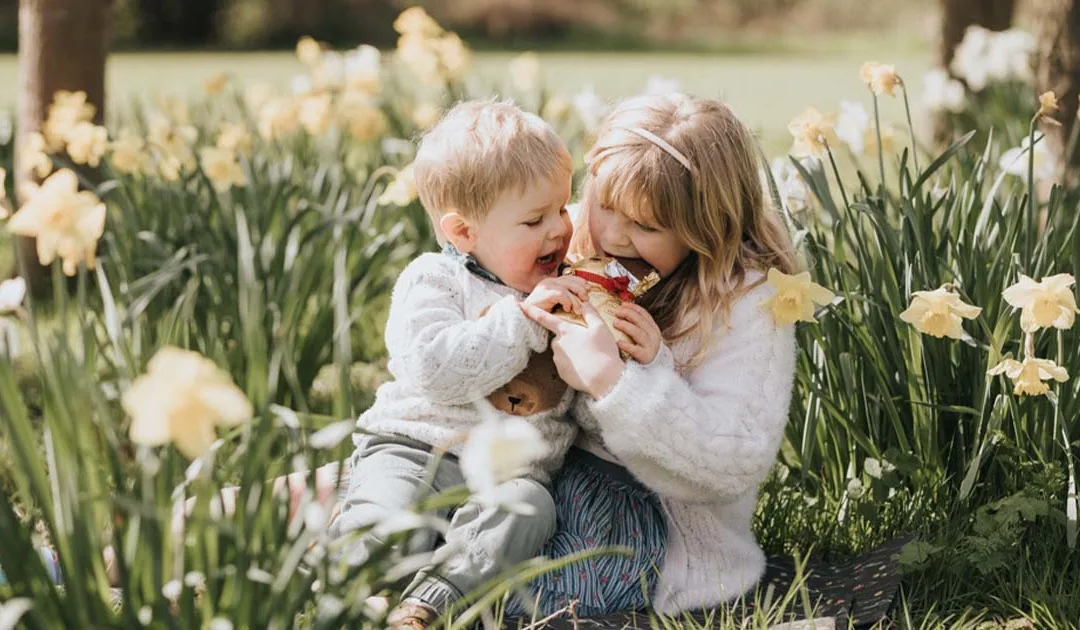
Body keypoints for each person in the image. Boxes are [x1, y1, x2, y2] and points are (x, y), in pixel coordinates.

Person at [509, 92, 799, 618]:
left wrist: (614, 382)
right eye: (607, 206)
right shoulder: (573, 240)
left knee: (532, 596)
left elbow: (733, 461)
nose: (615, 234)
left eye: (646, 227)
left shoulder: (743, 303)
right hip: (539, 473)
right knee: (419, 505)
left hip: (658, 525)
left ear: (707, 230)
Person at [327, 99, 590, 629]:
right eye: (534, 219)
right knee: (383, 523)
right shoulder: (435, 280)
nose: (560, 229)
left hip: (508, 474)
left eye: (562, 208)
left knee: (530, 509)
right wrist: (523, 320)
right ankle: (346, 582)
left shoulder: (570, 284)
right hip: (415, 450)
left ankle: (425, 605)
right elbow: (435, 368)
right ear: (463, 232)